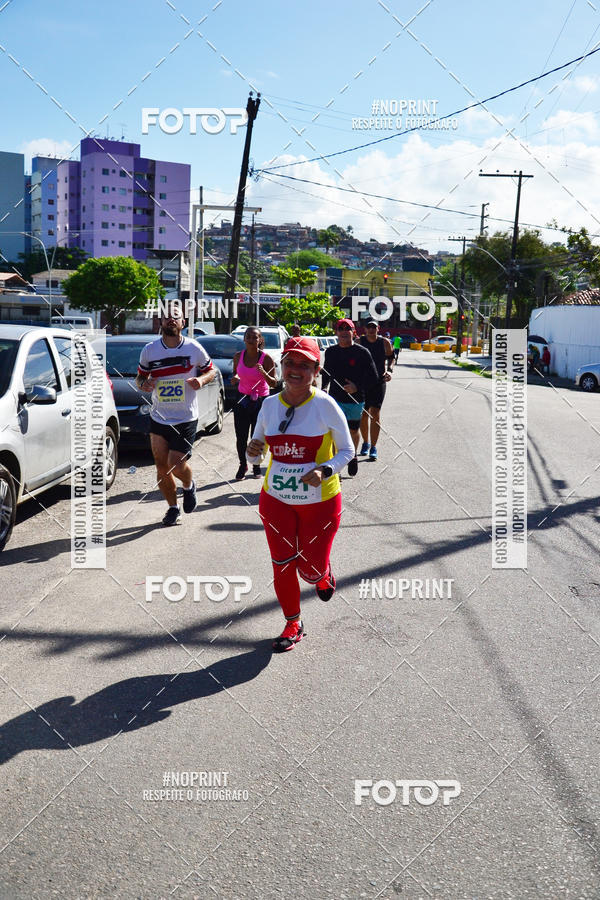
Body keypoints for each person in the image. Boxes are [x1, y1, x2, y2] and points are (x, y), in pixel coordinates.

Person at [247, 336, 354, 652]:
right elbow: (256, 455)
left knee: (308, 568)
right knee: (281, 562)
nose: (295, 370)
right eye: (289, 363)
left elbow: (347, 450)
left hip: (319, 502)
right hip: (275, 500)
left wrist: (325, 470)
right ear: (281, 366)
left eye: (304, 365)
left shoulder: (324, 405)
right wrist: (253, 452)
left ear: (316, 370)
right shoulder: (269, 405)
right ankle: (293, 622)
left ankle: (322, 574)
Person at [136, 303, 216, 526]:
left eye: (176, 317)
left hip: (185, 417)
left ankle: (189, 486)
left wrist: (200, 380)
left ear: (184, 323)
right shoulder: (149, 350)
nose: (171, 320)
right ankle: (173, 508)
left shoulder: (194, 348)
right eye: (166, 317)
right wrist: (145, 384)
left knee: (176, 463)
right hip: (159, 416)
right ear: (160, 322)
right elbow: (140, 378)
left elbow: (212, 370)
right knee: (161, 466)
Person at [320, 319, 378, 476]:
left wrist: (356, 387)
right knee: (333, 433)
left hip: (356, 399)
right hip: (334, 399)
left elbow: (373, 377)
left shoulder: (362, 352)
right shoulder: (330, 352)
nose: (344, 331)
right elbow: (326, 373)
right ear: (336, 332)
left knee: (353, 430)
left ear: (354, 332)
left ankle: (351, 456)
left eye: (348, 329)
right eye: (341, 328)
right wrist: (323, 388)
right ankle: (335, 469)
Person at [230, 327, 278, 480]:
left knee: (257, 436)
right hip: (242, 400)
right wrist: (235, 379)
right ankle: (242, 464)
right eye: (248, 337)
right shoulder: (238, 356)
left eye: (254, 337)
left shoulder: (266, 358)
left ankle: (256, 465)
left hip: (261, 401)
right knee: (241, 436)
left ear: (260, 340)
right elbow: (235, 374)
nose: (251, 340)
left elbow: (274, 383)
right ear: (244, 339)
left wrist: (263, 372)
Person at [359, 320, 394, 460]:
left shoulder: (384, 342)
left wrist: (390, 370)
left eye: (374, 327)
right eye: (369, 327)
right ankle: (365, 443)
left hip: (379, 381)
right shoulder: (359, 341)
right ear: (365, 329)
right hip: (362, 382)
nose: (371, 329)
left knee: (376, 413)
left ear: (378, 328)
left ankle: (373, 446)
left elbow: (391, 357)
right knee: (363, 414)